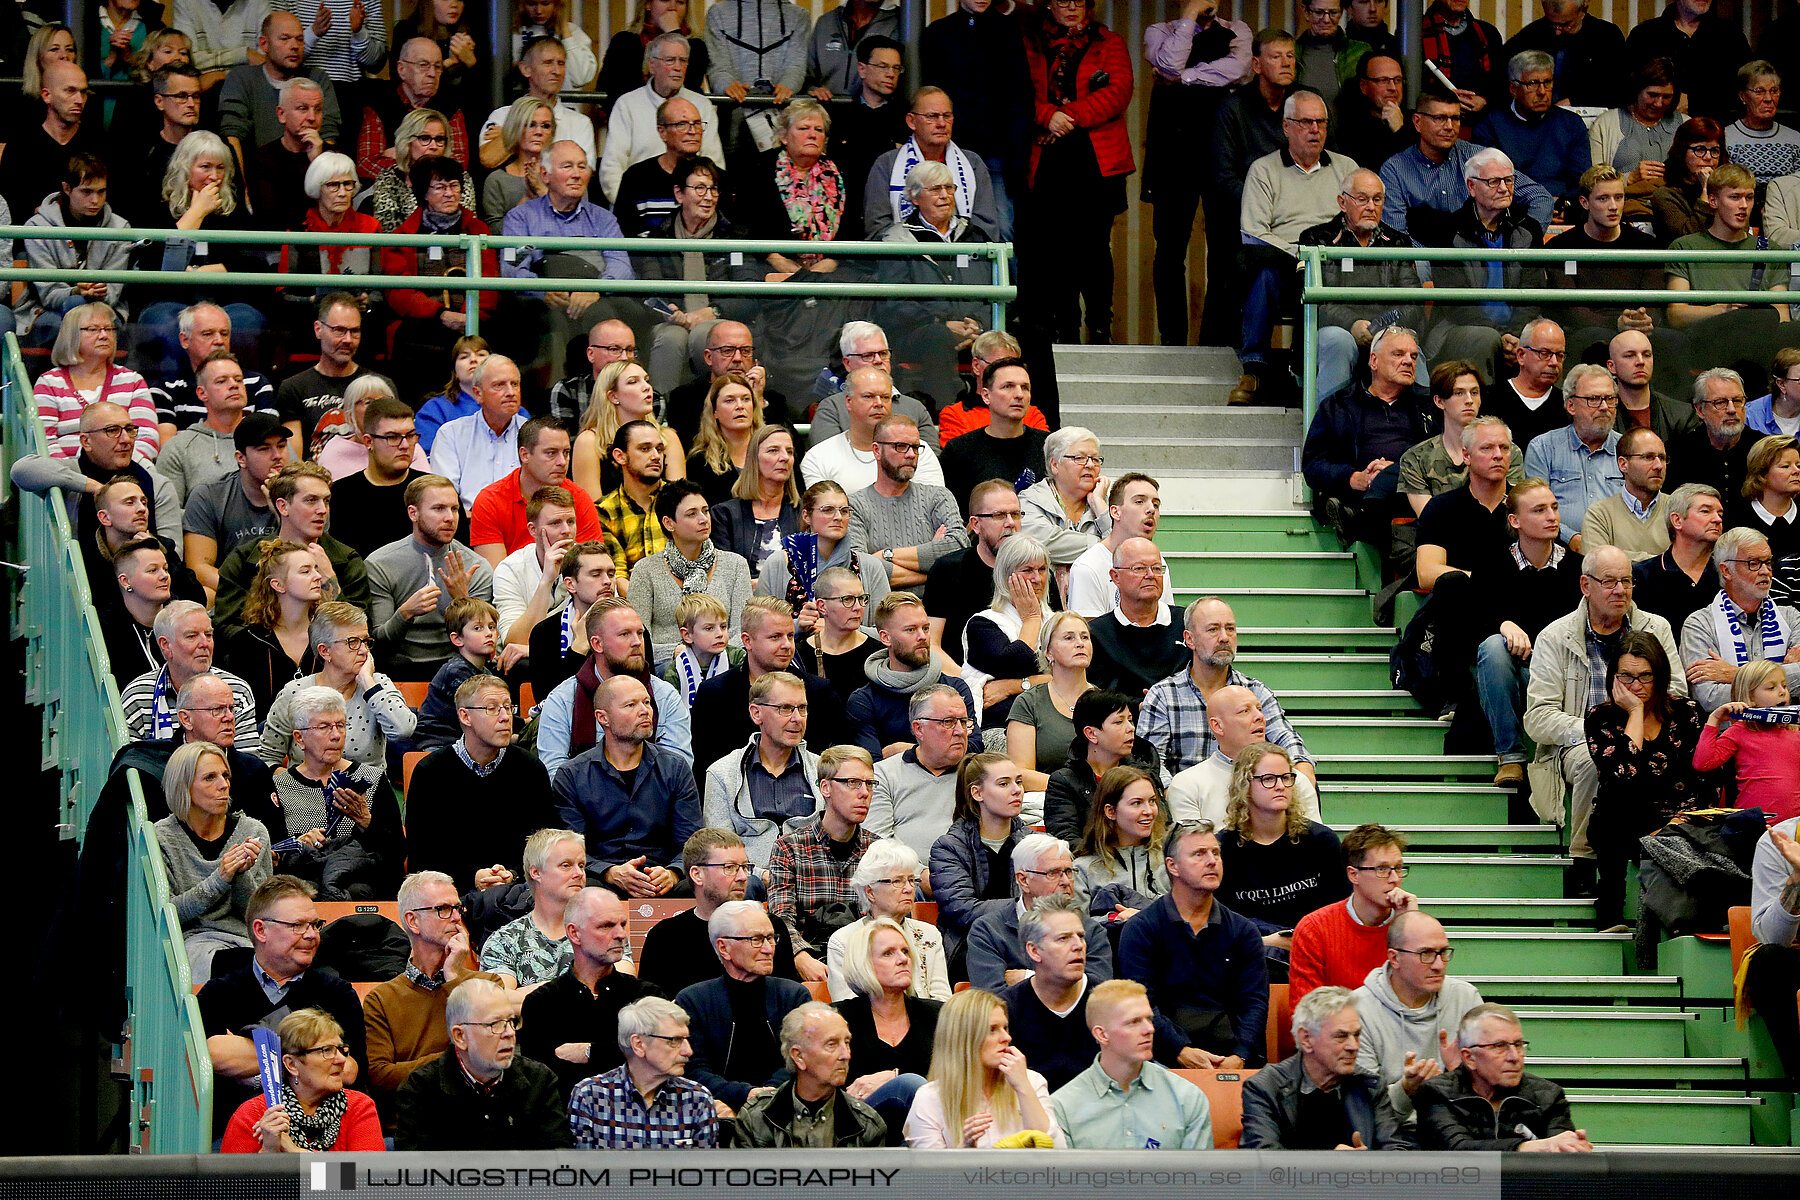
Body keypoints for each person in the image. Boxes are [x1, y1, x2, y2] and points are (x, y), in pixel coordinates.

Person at [1526, 544, 1687, 871]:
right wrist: (1598, 733)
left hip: (1651, 734)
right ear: (1586, 586)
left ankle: (1667, 857)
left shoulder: (1656, 628)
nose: (1620, 591)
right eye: (1610, 582)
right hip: (1579, 743)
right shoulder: (1555, 638)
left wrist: (1638, 721)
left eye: (1627, 582)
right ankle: (1584, 861)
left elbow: (1678, 692)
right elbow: (1539, 717)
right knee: (1596, 758)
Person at [198, 876, 368, 1127]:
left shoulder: (338, 993)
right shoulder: (218, 993)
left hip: (321, 1136)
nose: (311, 935)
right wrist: (315, 1056)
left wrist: (251, 1054)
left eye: (314, 924)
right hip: (241, 1136)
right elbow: (209, 1057)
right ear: (260, 930)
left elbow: (352, 1071)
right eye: (298, 925)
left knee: (349, 1168)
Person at [1233, 89, 1361, 403]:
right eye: (1306, 122)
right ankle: (1255, 369)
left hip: (1336, 259)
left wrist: (1324, 253)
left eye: (1320, 122)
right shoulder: (1263, 170)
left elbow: (1360, 219)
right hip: (1286, 260)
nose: (1315, 130)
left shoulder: (1346, 168)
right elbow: (1253, 232)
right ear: (1287, 126)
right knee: (1264, 275)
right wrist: (1300, 253)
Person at [1021, 0, 1133, 345]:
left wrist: (1068, 116)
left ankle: (1100, 325)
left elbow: (1118, 92)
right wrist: (1045, 116)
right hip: (1048, 155)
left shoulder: (1108, 41)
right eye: (1062, 0)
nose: (1071, 7)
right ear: (1048, 5)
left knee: (1095, 246)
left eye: (1079, 0)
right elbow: (1019, 93)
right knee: (1054, 247)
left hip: (1095, 158)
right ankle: (1064, 327)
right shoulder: (1031, 42)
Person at [1141, 0, 1253, 346]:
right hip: (1172, 150)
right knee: (1170, 251)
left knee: (1226, 249)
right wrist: (1189, 18)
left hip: (1222, 147)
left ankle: (1217, 339)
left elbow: (1239, 69)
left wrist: (1184, 77)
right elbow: (1168, 61)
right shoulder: (1159, 31)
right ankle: (1171, 339)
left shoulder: (1238, 30)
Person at [1587, 632, 1715, 929]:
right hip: (1624, 820)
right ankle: (1610, 913)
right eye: (1626, 677)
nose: (1635, 686)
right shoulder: (1600, 718)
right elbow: (1622, 776)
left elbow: (1706, 777)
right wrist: (1634, 712)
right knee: (1612, 808)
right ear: (1614, 677)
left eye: (1645, 676)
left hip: (1681, 817)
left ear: (1660, 675)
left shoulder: (1688, 713)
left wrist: (1675, 821)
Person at [1118, 821, 1267, 1067]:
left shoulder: (1243, 931)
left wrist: (1239, 1057)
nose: (1212, 861)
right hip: (1161, 1060)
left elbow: (1254, 1003)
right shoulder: (1141, 929)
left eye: (1215, 853)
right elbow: (1141, 1004)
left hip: (1233, 1059)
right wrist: (1181, 1051)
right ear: (1172, 866)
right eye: (1199, 854)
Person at [501, 141, 649, 380]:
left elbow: (622, 266)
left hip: (595, 295)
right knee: (545, 320)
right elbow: (511, 269)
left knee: (607, 317)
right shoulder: (521, 217)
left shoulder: (603, 219)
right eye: (567, 166)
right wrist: (543, 291)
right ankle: (554, 397)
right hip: (545, 299)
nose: (576, 174)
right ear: (545, 175)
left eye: (582, 166)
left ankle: (611, 389)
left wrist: (595, 289)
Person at [362, 871, 502, 1114]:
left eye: (458, 908)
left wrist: (453, 978)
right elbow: (380, 1077)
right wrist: (457, 1059)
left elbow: (490, 1053)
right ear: (413, 921)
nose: (457, 917)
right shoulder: (381, 1000)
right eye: (443, 909)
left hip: (478, 1120)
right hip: (412, 1125)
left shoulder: (488, 984)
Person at [404, 674, 555, 893]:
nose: (505, 717)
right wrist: (472, 877)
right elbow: (422, 856)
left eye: (508, 707)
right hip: (453, 893)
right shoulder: (431, 772)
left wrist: (512, 874)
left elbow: (545, 844)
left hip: (520, 890)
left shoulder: (530, 769)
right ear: (465, 716)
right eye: (492, 708)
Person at [553, 674, 703, 894]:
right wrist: (610, 872)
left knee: (701, 884)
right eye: (631, 705)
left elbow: (690, 842)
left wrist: (672, 872)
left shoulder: (675, 768)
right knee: (578, 888)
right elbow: (570, 848)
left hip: (661, 877)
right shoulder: (572, 775)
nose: (645, 711)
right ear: (602, 717)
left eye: (647, 702)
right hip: (602, 879)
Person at [1139, 597, 1313, 780]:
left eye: (1230, 629)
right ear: (1189, 639)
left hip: (1248, 801)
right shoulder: (1163, 696)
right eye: (1213, 629)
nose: (1224, 637)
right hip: (1185, 802)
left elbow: (1286, 739)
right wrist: (1178, 797)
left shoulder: (1256, 691)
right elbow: (1150, 761)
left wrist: (1303, 768)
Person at [264, 681, 406, 899]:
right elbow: (268, 856)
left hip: (363, 892)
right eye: (323, 727)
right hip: (300, 895)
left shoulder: (372, 779)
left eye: (340, 725)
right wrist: (297, 844)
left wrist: (366, 821)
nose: (336, 735)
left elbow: (397, 852)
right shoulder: (279, 786)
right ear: (299, 738)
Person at [392, 976, 570, 1150]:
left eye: (512, 1021)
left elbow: (558, 1164)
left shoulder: (540, 1080)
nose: (509, 1033)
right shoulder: (419, 1090)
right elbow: (417, 1175)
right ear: (460, 1036)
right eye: (495, 1024)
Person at [1666, 164, 1800, 382]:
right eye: (1735, 197)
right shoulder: (1685, 247)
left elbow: (1781, 317)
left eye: (1749, 198)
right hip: (1709, 339)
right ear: (1713, 201)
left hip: (1759, 342)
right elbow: (1676, 315)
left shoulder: (1769, 249)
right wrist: (1724, 309)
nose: (1744, 206)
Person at [1298, 168, 1423, 401]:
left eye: (1377, 200)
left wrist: (1379, 327)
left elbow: (1413, 303)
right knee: (1339, 341)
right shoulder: (1316, 240)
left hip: (1386, 330)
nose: (1371, 207)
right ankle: (1329, 429)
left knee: (1404, 347)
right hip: (1336, 330)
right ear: (1342, 202)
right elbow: (1313, 300)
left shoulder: (1397, 242)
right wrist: (1351, 324)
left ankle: (1412, 430)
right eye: (1362, 199)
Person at [675, 899, 813, 1109]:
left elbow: (802, 1056)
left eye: (770, 938)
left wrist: (767, 1095)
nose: (769, 949)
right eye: (756, 939)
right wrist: (745, 1094)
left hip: (785, 1107)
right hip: (717, 1109)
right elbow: (693, 1069)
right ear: (724, 948)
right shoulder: (693, 1001)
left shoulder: (793, 995)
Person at [155, 740, 274, 984]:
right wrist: (220, 879)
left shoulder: (253, 831)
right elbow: (167, 914)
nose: (223, 785)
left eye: (225, 776)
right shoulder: (160, 838)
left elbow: (261, 916)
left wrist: (241, 873)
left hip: (247, 941)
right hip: (193, 944)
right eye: (210, 778)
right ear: (184, 786)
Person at [1301, 325, 1430, 547]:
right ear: (1374, 361)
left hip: (1412, 495)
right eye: (1398, 354)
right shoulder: (1338, 405)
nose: (1409, 361)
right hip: (1358, 494)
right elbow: (1313, 466)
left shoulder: (1429, 406)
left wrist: (1396, 472)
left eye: (1413, 356)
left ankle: (1358, 519)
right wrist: (1354, 478)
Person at [517, 885, 651, 1097]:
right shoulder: (542, 1003)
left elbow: (659, 1057)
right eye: (606, 926)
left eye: (622, 924)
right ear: (574, 933)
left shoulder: (645, 997)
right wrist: (622, 1052)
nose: (620, 934)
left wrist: (591, 1052)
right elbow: (540, 1082)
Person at [1240, 984, 1411, 1149]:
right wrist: (1329, 1165)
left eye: (1357, 1035)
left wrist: (1365, 1167)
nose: (1354, 1046)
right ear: (1306, 1039)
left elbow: (1395, 1151)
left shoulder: (1370, 1085)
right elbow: (1263, 1158)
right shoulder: (1265, 1088)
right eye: (1341, 1036)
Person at [379, 157, 497, 396]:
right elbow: (399, 292)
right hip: (424, 323)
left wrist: (467, 315)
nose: (450, 194)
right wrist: (440, 314)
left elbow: (489, 284)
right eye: (440, 187)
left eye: (454, 186)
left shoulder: (479, 231)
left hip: (471, 320)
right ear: (424, 193)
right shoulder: (403, 236)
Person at [1050, 977, 1214, 1149]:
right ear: (1102, 1035)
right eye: (1134, 1022)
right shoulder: (1063, 1107)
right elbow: (1063, 1176)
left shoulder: (1187, 1098)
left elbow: (1199, 1175)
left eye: (1149, 1019)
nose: (1149, 1029)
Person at [639, 829, 805, 997]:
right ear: (697, 874)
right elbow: (653, 1013)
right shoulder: (664, 937)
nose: (742, 876)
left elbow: (787, 999)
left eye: (745, 867)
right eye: (730, 867)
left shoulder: (770, 927)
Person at [537, 597, 692, 776]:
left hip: (653, 802)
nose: (637, 642)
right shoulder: (562, 700)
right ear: (597, 644)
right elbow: (554, 777)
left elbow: (678, 772)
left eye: (640, 633)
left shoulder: (665, 696)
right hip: (583, 803)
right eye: (624, 634)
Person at [1352, 911, 1484, 1119]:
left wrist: (1460, 1073)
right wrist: (1406, 1090)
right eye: (1426, 954)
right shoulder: (1357, 1009)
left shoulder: (1466, 998)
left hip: (1459, 1127)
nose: (1439, 965)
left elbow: (1490, 1088)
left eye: (1443, 952)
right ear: (1394, 958)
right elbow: (1363, 1108)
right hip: (1392, 1135)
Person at [761, 743, 876, 981]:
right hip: (810, 962)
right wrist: (800, 955)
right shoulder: (789, 847)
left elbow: (888, 921)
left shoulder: (878, 851)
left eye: (869, 784)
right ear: (825, 787)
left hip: (867, 964)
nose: (864, 792)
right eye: (853, 782)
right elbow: (781, 918)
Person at [365, 474, 497, 681]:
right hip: (400, 665)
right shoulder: (381, 564)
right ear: (413, 513)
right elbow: (379, 642)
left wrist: (462, 600)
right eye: (439, 509)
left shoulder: (475, 566)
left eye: (454, 509)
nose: (450, 518)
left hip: (458, 664)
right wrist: (406, 612)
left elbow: (483, 642)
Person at [211, 462, 370, 632]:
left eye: (326, 501)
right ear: (283, 506)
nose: (323, 509)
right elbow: (225, 628)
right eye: (311, 501)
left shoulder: (347, 561)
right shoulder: (245, 560)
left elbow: (358, 635)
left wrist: (329, 580)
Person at [258, 600, 415, 771]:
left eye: (365, 641)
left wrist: (368, 683)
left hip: (367, 792)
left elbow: (404, 730)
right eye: (353, 642)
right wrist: (296, 785)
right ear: (325, 651)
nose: (363, 650)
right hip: (308, 793)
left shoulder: (378, 685)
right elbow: (267, 758)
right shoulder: (294, 693)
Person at [1414, 1003, 1591, 1151]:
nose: (1514, 1057)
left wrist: (1572, 1147)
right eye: (1499, 1046)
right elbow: (1457, 1150)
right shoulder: (1436, 1093)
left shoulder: (1548, 1096)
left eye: (1518, 1044)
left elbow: (1560, 1155)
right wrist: (1529, 1147)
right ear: (1469, 1058)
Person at [902, 987, 1065, 1148]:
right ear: (963, 1039)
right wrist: (964, 1150)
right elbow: (929, 1173)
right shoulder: (929, 1098)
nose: (1006, 1037)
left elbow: (1058, 1155)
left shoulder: (1030, 1081)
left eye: (1005, 1028)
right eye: (992, 1030)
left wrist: (1023, 1089)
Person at [1377, 91, 1554, 239]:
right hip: (1424, 261)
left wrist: (1523, 238)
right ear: (1417, 122)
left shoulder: (1480, 158)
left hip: (1479, 257)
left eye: (1455, 118)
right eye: (1439, 118)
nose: (1449, 126)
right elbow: (1396, 236)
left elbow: (1540, 197)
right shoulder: (1394, 170)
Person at [700, 669, 826, 873]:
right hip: (748, 883)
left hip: (813, 880)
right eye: (785, 708)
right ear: (756, 713)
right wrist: (762, 876)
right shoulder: (722, 773)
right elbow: (720, 852)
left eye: (802, 708)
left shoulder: (823, 771)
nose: (797, 718)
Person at [1546, 166, 1670, 365]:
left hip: (1638, 329)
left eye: (1619, 197)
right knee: (1591, 337)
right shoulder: (1561, 247)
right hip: (1589, 331)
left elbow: (1653, 299)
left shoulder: (1647, 245)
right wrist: (1617, 323)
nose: (1613, 206)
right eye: (1603, 199)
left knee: (1674, 341)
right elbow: (1572, 311)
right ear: (1584, 202)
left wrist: (1645, 319)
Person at [832, 915, 942, 1138]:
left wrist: (894, 1077)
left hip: (927, 1131)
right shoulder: (838, 1018)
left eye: (905, 951)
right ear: (864, 964)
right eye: (888, 953)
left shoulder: (938, 1015)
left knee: (910, 1085)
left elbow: (957, 1080)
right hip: (857, 1133)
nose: (902, 959)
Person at [219, 1008, 385, 1152]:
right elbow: (233, 1188)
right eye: (327, 1050)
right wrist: (268, 1152)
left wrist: (295, 1152)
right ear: (291, 1064)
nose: (342, 1060)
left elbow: (366, 1182)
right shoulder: (252, 1114)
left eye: (341, 1050)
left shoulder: (359, 1107)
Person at [967, 832, 1115, 992]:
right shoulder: (989, 930)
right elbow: (992, 999)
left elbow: (1099, 995)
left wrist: (1029, 978)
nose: (1066, 881)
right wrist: (1067, 982)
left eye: (1069, 872)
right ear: (1023, 880)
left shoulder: (1090, 930)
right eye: (1053, 873)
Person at [729, 1001, 888, 1147]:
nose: (845, 1055)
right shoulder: (756, 1119)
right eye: (831, 1044)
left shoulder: (867, 1126)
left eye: (847, 1043)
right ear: (798, 1056)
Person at [566, 995, 719, 1147]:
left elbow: (705, 1170)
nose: (688, 1051)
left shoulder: (698, 1099)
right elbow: (580, 1169)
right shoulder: (590, 1095)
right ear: (638, 1044)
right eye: (674, 1040)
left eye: (686, 1039)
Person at [1678, 525, 1800, 715]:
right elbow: (1711, 698)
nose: (1766, 572)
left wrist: (1734, 674)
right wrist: (1782, 677)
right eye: (1754, 563)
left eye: (1768, 562)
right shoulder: (1699, 625)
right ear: (1726, 571)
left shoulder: (1791, 617)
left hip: (1788, 735)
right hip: (1729, 737)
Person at [1288, 824, 1416, 1004]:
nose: (1394, 878)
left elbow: (1420, 1003)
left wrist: (1411, 928)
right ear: (1353, 875)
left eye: (1398, 868)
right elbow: (1305, 1015)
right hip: (1337, 1031)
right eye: (1382, 869)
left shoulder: (1410, 923)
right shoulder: (1314, 929)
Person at [926, 751, 1030, 972]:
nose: (1016, 790)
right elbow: (963, 910)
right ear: (977, 793)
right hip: (968, 946)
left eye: (1018, 782)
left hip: (1028, 940)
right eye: (1004, 784)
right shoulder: (949, 848)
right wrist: (1024, 906)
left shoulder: (1034, 844)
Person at [629, 479, 753, 661]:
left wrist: (714, 657)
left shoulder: (735, 565)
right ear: (669, 523)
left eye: (705, 511)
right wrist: (680, 653)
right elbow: (638, 638)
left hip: (726, 664)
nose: (703, 519)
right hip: (666, 665)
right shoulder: (646, 570)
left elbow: (742, 630)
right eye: (691, 514)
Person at [18, 153, 131, 350]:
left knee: (95, 321)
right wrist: (76, 291)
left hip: (104, 309)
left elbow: (113, 293)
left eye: (101, 191)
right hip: (47, 311)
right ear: (67, 188)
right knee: (73, 311)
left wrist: (99, 293)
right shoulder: (37, 227)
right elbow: (48, 294)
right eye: (86, 192)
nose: (95, 200)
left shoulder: (120, 229)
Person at [1166, 685, 1325, 825]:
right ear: (1218, 726)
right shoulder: (1187, 785)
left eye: (1259, 709)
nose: (1260, 717)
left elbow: (1316, 845)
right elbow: (1192, 852)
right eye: (1245, 711)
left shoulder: (1292, 780)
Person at [598, 31, 723, 204]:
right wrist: (628, 206)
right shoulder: (627, 104)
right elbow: (612, 168)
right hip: (640, 204)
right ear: (651, 64)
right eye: (670, 60)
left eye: (683, 60)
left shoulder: (702, 105)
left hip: (691, 208)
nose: (678, 67)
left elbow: (715, 166)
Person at [847, 595, 976, 759]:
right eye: (911, 630)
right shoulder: (864, 701)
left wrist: (910, 751)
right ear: (886, 638)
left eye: (926, 628)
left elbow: (973, 750)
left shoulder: (955, 689)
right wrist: (942, 751)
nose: (922, 636)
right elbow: (873, 765)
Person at [847, 415, 965, 591]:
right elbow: (862, 569)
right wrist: (933, 568)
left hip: (936, 612)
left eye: (916, 447)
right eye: (900, 446)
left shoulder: (938, 497)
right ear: (877, 450)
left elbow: (959, 546)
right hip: (882, 613)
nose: (911, 454)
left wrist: (887, 555)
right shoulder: (854, 505)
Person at [34, 301, 157, 467]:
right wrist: (79, 479)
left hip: (126, 475)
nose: (104, 335)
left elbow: (147, 438)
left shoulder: (132, 381)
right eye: (93, 329)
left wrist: (121, 472)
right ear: (71, 336)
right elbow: (44, 442)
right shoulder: (49, 383)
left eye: (109, 329)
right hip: (69, 480)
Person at [867, 683, 973, 866]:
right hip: (905, 882)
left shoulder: (979, 774)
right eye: (948, 722)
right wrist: (920, 876)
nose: (960, 731)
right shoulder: (883, 775)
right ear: (918, 729)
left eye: (963, 722)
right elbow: (877, 844)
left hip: (969, 880)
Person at [473, 419, 601, 569]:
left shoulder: (579, 497)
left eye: (566, 453)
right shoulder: (490, 501)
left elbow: (593, 566)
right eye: (551, 453)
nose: (562, 462)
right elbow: (496, 575)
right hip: (514, 589)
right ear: (525, 455)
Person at [924, 479, 1025, 667]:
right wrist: (968, 686)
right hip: (960, 680)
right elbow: (932, 644)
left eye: (1016, 514)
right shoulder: (947, 571)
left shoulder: (1036, 571)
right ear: (976, 524)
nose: (1010, 523)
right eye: (999, 515)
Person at [122, 602, 258, 742]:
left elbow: (247, 759)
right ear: (166, 645)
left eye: (209, 635)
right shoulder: (137, 696)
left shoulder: (237, 690)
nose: (205, 643)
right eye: (192, 636)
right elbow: (128, 761)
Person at [218, 540, 323, 718]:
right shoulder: (248, 642)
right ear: (278, 585)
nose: (318, 576)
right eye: (305, 571)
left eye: (316, 568)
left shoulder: (328, 636)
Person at [1471, 51, 1591, 205]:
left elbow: (1582, 181)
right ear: (1513, 89)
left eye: (1547, 82)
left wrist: (1565, 205)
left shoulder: (1571, 124)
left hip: (1563, 210)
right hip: (1511, 212)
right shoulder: (1490, 126)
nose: (1542, 92)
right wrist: (1539, 205)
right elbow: (1490, 184)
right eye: (1532, 84)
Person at [218, 12, 341, 159]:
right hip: (258, 174)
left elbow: (329, 135)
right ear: (264, 44)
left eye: (300, 39)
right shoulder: (242, 78)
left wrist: (320, 174)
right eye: (285, 39)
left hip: (312, 170)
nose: (294, 46)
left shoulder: (317, 79)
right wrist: (242, 182)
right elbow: (232, 136)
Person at [802, 370, 946, 496]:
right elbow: (823, 517)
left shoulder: (917, 450)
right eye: (869, 396)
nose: (879, 403)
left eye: (885, 397)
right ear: (848, 401)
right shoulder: (819, 457)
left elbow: (934, 508)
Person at [1398, 362, 1515, 516]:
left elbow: (1514, 508)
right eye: (1459, 393)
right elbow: (1430, 519)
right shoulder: (1416, 459)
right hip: (1441, 537)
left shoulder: (1504, 450)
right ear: (1439, 401)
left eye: (1474, 392)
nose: (1469, 400)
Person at [477, 827, 584, 991]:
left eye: (582, 865)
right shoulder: (505, 940)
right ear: (536, 872)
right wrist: (581, 987)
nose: (579, 873)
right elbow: (500, 1002)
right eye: (566, 865)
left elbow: (621, 989)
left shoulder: (602, 929)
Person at [1694, 660, 1800, 824]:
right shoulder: (1739, 731)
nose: (1782, 692)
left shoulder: (1795, 731)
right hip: (1751, 825)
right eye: (1771, 687)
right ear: (1750, 697)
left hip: (1793, 825)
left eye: (1784, 686)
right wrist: (1714, 720)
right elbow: (1703, 763)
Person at [938, 359, 1049, 514]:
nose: (1019, 395)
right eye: (1008, 387)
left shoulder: (1049, 446)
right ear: (986, 395)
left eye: (1025, 388)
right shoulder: (959, 450)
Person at [1085, 539, 1188, 701]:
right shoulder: (1096, 634)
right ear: (1115, 577)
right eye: (1139, 568)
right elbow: (1095, 699)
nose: (1150, 575)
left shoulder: (1187, 624)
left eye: (1156, 568)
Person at [1046, 690, 1151, 848]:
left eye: (1130, 720)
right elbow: (1066, 839)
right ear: (1091, 733)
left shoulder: (1142, 774)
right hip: (1091, 866)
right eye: (1118, 722)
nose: (1131, 728)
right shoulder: (1064, 782)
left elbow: (1162, 828)